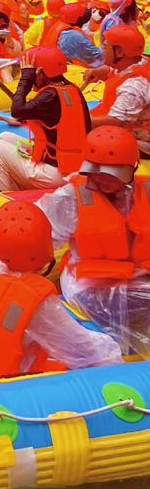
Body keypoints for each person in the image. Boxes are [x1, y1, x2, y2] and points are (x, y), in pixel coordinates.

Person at [0, 199, 120, 375]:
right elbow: (87, 353)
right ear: (46, 250)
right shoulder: (37, 301)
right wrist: (115, 350)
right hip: (11, 388)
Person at [39, 126, 150, 351]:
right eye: (97, 172)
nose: (103, 179)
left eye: (112, 174)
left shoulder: (146, 191)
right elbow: (41, 239)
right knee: (125, 315)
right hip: (90, 285)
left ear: (132, 168)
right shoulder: (70, 198)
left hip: (140, 275)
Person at [0, 46, 91, 192]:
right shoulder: (71, 88)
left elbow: (17, 111)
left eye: (32, 73)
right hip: (71, 165)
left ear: (40, 72)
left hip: (57, 173)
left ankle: (0, 195)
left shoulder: (50, 96)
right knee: (4, 137)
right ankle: (13, 187)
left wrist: (25, 79)